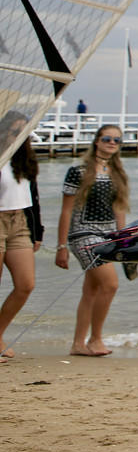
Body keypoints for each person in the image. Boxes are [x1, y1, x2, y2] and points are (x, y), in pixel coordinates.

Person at [55, 124, 129, 356]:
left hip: (108, 236)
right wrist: (61, 247)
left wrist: (123, 239)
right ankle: (96, 339)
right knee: (110, 285)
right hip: (83, 235)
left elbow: (119, 209)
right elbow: (66, 211)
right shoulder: (78, 170)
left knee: (92, 291)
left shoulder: (118, 173)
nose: (112, 143)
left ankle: (78, 344)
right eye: (107, 138)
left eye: (117, 140)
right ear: (96, 141)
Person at [0, 111, 44, 358]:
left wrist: (38, 231)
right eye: (15, 131)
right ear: (4, 130)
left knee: (26, 284)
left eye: (24, 132)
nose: (20, 136)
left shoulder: (25, 158)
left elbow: (34, 199)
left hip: (20, 223)